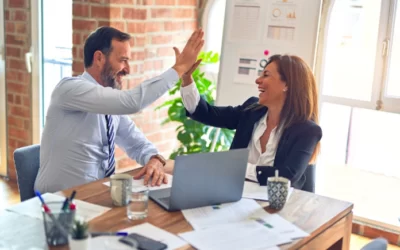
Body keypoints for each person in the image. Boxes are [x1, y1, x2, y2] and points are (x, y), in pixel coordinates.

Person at [34, 26, 204, 193]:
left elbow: (137, 143)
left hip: (96, 196)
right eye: (123, 60)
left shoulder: (109, 105)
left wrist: (154, 159)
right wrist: (179, 68)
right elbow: (132, 102)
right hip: (58, 203)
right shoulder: (69, 89)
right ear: (99, 58)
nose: (127, 70)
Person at [180, 54, 322, 191]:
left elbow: (286, 176)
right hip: (235, 196)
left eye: (266, 75)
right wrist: (187, 79)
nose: (258, 80)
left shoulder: (307, 131)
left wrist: (237, 167)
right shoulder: (252, 110)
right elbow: (205, 113)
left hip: (278, 207)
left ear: (287, 85)